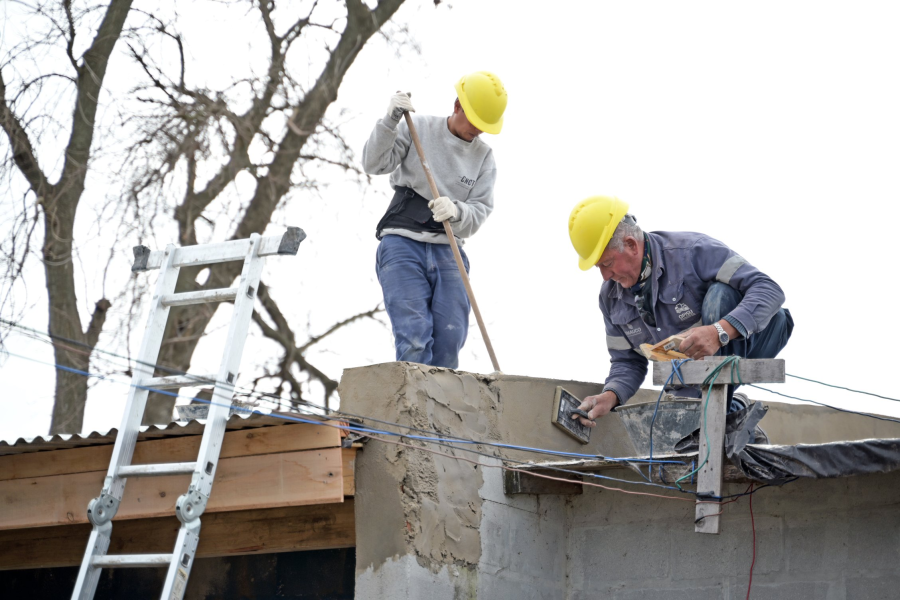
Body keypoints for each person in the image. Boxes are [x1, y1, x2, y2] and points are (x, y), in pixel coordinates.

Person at [567, 196, 794, 427]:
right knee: (679, 431)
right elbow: (627, 362)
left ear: (631, 245)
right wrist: (610, 395)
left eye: (607, 264)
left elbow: (769, 290)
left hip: (762, 333)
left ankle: (719, 411)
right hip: (693, 375)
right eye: (599, 268)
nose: (605, 276)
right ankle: (732, 412)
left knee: (720, 295)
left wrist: (719, 331)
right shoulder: (611, 297)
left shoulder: (691, 252)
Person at [361, 72, 507, 369]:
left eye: (484, 125)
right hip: (402, 243)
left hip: (448, 249)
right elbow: (374, 163)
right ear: (457, 106)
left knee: (449, 340)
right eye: (474, 120)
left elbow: (479, 211)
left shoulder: (483, 157)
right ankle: (409, 413)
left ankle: (438, 413)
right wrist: (390, 121)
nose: (478, 129)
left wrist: (456, 211)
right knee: (415, 338)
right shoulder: (419, 129)